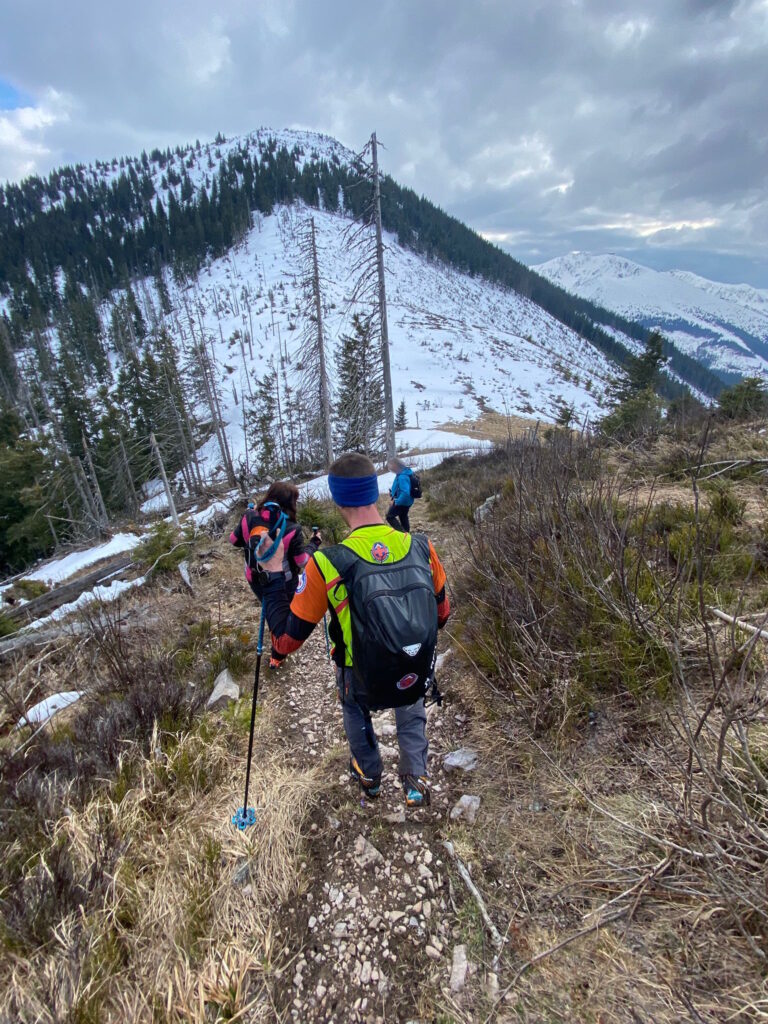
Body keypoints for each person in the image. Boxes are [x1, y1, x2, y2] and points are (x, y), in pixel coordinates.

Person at [258, 453, 450, 808]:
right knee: (409, 687)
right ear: (374, 492)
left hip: (359, 675)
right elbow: (442, 614)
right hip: (413, 667)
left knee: (353, 702)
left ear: (337, 499)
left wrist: (272, 577)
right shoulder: (422, 547)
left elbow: (285, 641)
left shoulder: (327, 562)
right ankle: (415, 777)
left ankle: (370, 776)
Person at [229, 481, 321, 670]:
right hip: (283, 580)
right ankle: (277, 655)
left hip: (254, 578)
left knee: (270, 606)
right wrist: (314, 543)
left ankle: (276, 655)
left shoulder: (249, 516)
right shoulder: (292, 528)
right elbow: (302, 561)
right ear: (291, 503)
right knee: (280, 614)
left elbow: (234, 540)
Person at [386, 458, 415, 532]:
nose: (391, 469)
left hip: (402, 501)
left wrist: (396, 502)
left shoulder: (402, 476)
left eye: (391, 467)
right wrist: (392, 493)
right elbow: (400, 487)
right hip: (407, 501)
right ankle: (407, 534)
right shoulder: (404, 472)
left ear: (396, 466)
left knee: (390, 516)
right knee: (403, 516)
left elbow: (405, 493)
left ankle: (402, 534)